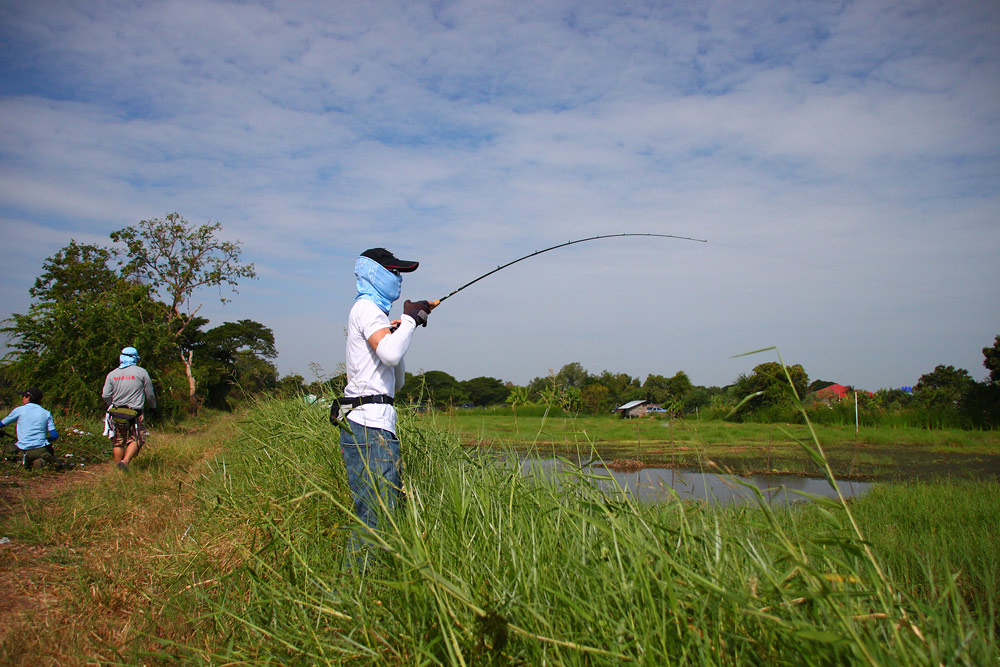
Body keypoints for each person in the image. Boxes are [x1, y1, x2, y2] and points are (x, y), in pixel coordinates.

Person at [336, 247, 432, 570]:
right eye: (394, 272)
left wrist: (401, 331)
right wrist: (408, 321)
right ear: (375, 274)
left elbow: (397, 380)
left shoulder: (373, 314)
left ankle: (363, 589)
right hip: (369, 428)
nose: (399, 279)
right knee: (375, 516)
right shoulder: (366, 309)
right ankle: (354, 593)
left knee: (382, 511)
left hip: (376, 424)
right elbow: (389, 355)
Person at [102, 346, 157, 472]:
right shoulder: (141, 372)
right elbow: (149, 393)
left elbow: (105, 395)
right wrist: (153, 407)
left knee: (118, 441)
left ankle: (119, 469)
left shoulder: (112, 374)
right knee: (138, 438)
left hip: (117, 412)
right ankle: (125, 461)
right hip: (135, 413)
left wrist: (112, 405)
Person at [0, 387, 61, 470]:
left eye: (24, 396)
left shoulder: (19, 410)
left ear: (28, 397)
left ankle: (20, 462)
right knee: (43, 453)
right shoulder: (46, 413)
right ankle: (40, 461)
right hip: (40, 450)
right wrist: (45, 440)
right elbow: (54, 435)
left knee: (8, 447)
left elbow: (2, 424)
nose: (22, 398)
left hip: (23, 449)